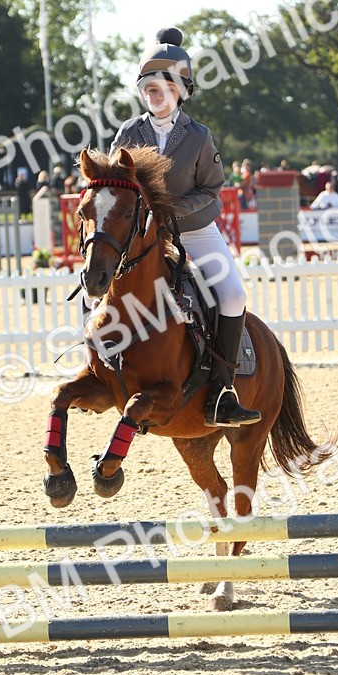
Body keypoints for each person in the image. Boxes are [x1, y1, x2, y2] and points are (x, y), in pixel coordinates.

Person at [108, 26, 260, 427]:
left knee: (232, 295)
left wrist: (169, 211)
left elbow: (213, 190)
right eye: (147, 87)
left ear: (180, 91)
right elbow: (114, 187)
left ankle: (224, 391)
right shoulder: (129, 133)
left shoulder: (198, 136)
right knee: (100, 283)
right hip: (142, 235)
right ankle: (103, 368)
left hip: (194, 230)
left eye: (161, 87)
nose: (152, 94)